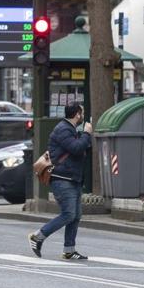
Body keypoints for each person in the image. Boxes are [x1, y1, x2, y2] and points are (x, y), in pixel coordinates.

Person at [29, 103, 93, 260]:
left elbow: (81, 149)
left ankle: (69, 250)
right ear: (77, 114)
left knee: (76, 215)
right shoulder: (63, 129)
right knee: (68, 214)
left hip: (72, 178)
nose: (82, 116)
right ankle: (38, 236)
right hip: (62, 179)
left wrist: (84, 137)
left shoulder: (70, 130)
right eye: (82, 113)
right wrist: (86, 133)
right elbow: (77, 148)